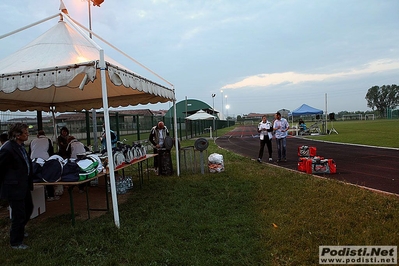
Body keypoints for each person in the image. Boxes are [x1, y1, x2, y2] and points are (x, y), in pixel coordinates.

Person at [0, 123, 33, 250]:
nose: (28, 134)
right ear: (17, 135)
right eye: (25, 133)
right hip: (14, 187)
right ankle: (16, 242)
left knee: (29, 208)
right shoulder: (7, 149)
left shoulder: (20, 146)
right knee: (18, 214)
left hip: (23, 185)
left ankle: (20, 230)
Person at [28, 130, 59, 201]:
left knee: (35, 177)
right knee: (47, 177)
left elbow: (30, 152)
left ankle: (40, 196)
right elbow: (51, 152)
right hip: (44, 160)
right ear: (44, 134)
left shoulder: (33, 141)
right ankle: (51, 195)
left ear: (37, 135)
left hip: (34, 160)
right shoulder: (48, 140)